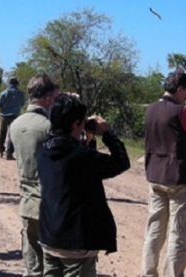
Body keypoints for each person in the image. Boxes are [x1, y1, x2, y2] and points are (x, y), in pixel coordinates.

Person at [37, 94, 130, 277]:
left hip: (50, 238)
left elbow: (68, 150)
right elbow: (121, 162)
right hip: (76, 245)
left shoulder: (44, 151)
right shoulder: (81, 157)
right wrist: (108, 133)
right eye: (82, 121)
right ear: (74, 124)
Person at [139, 71, 186, 277]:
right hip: (179, 178)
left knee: (154, 230)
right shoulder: (181, 112)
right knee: (178, 234)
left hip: (155, 175)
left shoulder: (150, 110)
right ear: (180, 89)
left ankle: (147, 273)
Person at [9, 74, 60, 277]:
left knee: (32, 266)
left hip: (27, 201)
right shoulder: (49, 127)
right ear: (47, 99)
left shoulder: (15, 124)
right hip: (49, 205)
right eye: (55, 99)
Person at [0, 77, 25, 160]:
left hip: (4, 116)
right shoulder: (20, 93)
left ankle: (1, 150)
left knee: (2, 133)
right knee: (11, 135)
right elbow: (22, 103)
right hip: (15, 116)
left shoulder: (3, 93)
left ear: (9, 83)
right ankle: (9, 153)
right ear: (16, 84)